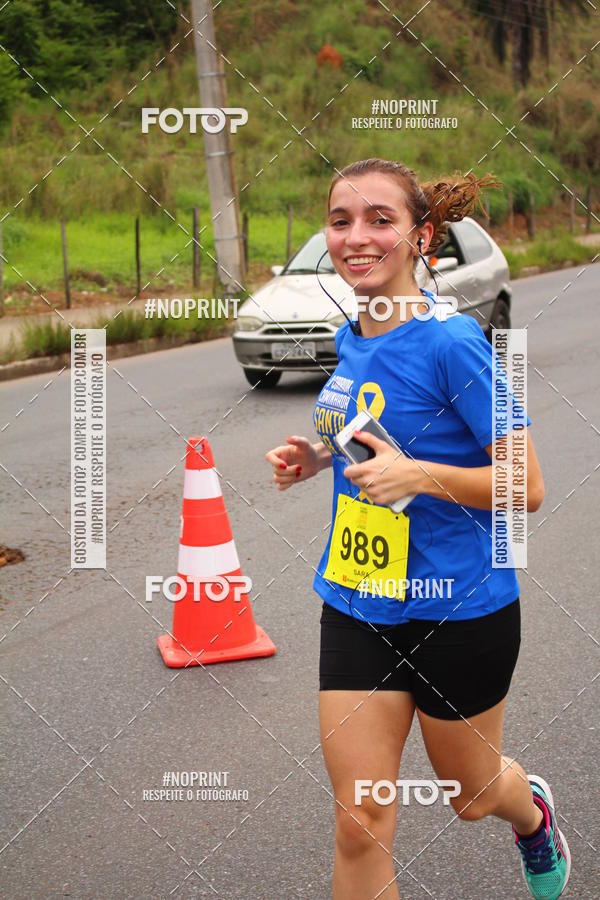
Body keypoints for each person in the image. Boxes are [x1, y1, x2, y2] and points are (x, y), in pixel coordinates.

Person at [265, 158, 570, 900]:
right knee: (360, 817)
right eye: (340, 222)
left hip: (460, 608)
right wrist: (314, 455)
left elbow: (525, 486)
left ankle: (529, 812)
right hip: (360, 598)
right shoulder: (352, 337)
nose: (355, 238)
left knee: (470, 798)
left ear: (420, 236)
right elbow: (366, 430)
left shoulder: (451, 343)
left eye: (379, 220)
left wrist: (420, 476)